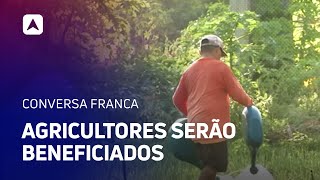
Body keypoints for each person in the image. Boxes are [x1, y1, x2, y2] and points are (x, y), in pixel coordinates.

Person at [172, 35, 253, 180]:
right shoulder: (221, 67)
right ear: (217, 50)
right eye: (221, 54)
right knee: (214, 166)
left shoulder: (189, 70)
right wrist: (250, 103)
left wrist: (190, 114)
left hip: (195, 124)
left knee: (209, 164)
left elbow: (177, 99)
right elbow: (236, 93)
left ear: (200, 51)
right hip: (212, 125)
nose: (221, 57)